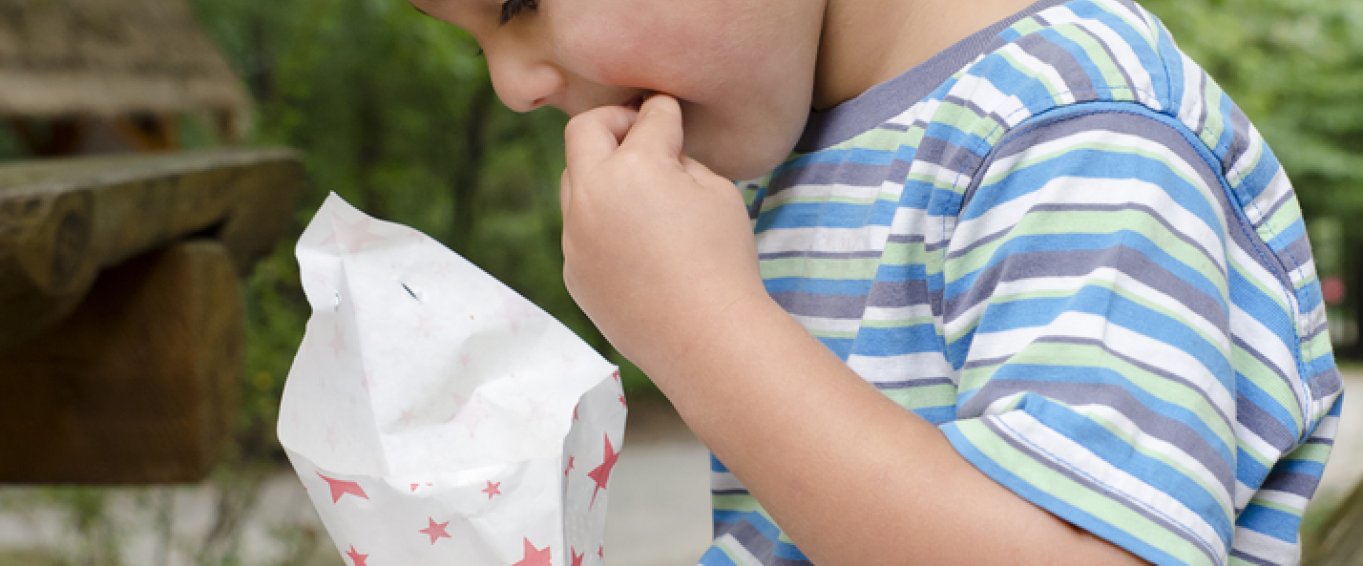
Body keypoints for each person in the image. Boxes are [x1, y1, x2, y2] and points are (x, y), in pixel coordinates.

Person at [411, 0, 1345, 563]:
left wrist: (698, 325)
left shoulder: (1073, 129)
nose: (512, 85)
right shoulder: (788, 171)